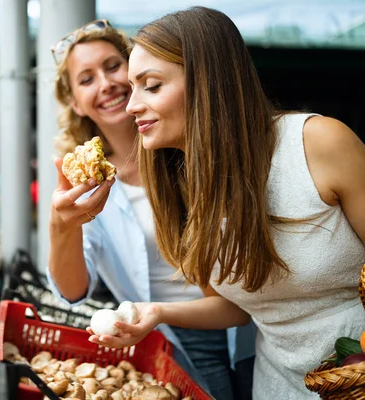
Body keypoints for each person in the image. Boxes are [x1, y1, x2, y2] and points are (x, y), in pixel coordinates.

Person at [87, 7, 365, 399]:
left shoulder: (317, 143)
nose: (131, 105)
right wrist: (158, 313)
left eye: (150, 85)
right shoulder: (179, 188)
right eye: (133, 88)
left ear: (208, 82)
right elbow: (237, 308)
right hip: (277, 387)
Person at [46, 19, 256, 399]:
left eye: (113, 66)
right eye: (86, 78)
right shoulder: (84, 180)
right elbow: (73, 290)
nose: (107, 83)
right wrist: (61, 225)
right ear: (75, 102)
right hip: (165, 337)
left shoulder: (195, 149)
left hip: (249, 326)